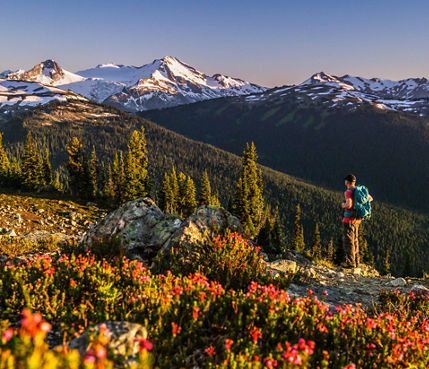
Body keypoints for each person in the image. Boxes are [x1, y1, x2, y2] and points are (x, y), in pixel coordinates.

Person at [341, 174, 373, 268]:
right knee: (355, 240)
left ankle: (350, 263)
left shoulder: (348, 191)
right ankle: (356, 261)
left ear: (347, 182)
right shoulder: (359, 190)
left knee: (348, 241)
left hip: (349, 219)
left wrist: (343, 205)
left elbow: (349, 204)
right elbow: (370, 198)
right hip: (357, 219)